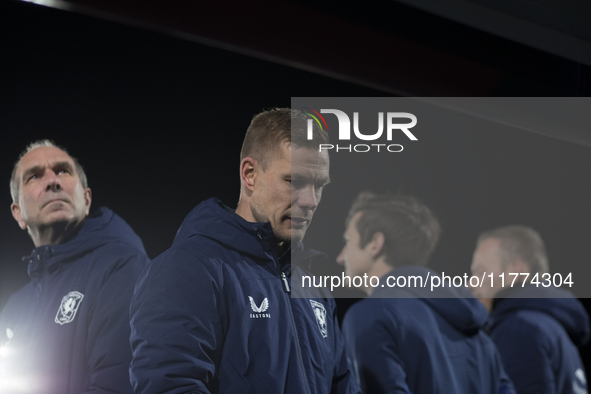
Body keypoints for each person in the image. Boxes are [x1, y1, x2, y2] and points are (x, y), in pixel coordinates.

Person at [129, 108, 360, 394]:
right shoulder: (187, 268)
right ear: (249, 174)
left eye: (319, 186)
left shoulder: (313, 287)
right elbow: (169, 386)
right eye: (294, 182)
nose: (310, 200)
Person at [0, 140, 149, 394]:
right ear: (18, 214)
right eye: (34, 176)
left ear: (87, 198)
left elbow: (119, 384)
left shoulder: (122, 266)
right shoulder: (14, 306)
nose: (52, 181)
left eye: (62, 171)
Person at [339, 192, 515, 394]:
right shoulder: (477, 331)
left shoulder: (369, 316)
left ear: (375, 243)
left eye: (347, 241)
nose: (341, 257)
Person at [471, 225, 590, 394]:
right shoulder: (557, 332)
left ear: (515, 271)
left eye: (480, 271)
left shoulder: (520, 329)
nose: (471, 283)